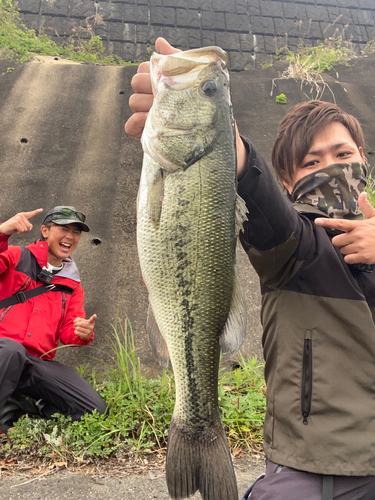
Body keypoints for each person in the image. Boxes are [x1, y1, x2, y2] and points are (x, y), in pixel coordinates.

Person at [125, 38, 375, 500]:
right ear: (286, 182)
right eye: (311, 163)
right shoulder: (296, 247)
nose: (332, 169)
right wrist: (223, 135)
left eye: (343, 155)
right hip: (317, 468)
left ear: (363, 158)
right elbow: (262, 205)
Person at [0, 206, 106, 434]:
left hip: (36, 363)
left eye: (76, 232)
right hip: (3, 352)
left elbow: (69, 331)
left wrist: (83, 333)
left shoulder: (72, 286)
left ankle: (22, 404)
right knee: (11, 350)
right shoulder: (17, 257)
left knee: (94, 408)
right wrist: (3, 232)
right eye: (63, 229)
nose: (70, 236)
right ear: (45, 231)